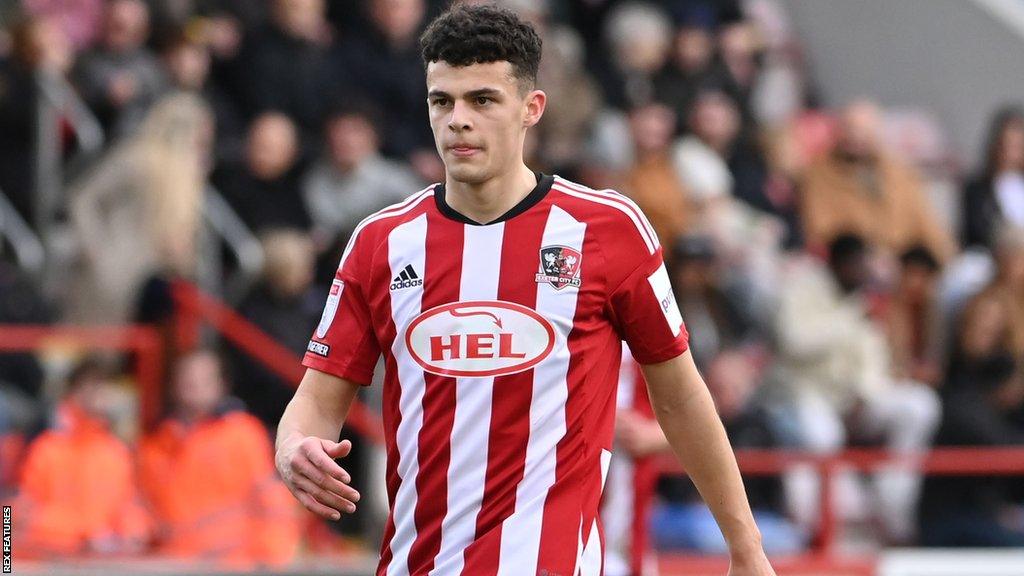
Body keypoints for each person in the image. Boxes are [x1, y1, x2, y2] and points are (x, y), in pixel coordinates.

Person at [274, 5, 775, 575]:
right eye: (443, 101)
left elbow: (682, 397)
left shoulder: (608, 230)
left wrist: (746, 547)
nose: (458, 120)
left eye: (482, 100)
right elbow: (316, 401)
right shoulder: (381, 243)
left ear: (531, 109)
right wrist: (294, 448)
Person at [138, 349, 301, 567]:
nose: (193, 386)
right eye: (186, 378)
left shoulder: (243, 433)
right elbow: (143, 509)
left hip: (233, 564)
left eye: (202, 379)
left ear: (220, 385)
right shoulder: (156, 443)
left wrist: (272, 558)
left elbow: (271, 501)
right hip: (173, 563)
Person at [16, 358, 150, 557]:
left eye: (99, 389)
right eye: (87, 389)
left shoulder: (117, 451)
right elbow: (18, 517)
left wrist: (134, 532)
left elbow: (127, 505)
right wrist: (85, 533)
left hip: (104, 563)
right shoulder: (47, 448)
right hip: (53, 560)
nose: (94, 397)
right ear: (70, 394)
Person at [962, 106, 1024, 251]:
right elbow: (976, 231)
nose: (1010, 152)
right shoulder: (978, 188)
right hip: (996, 253)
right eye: (1005, 145)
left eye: (1016, 146)